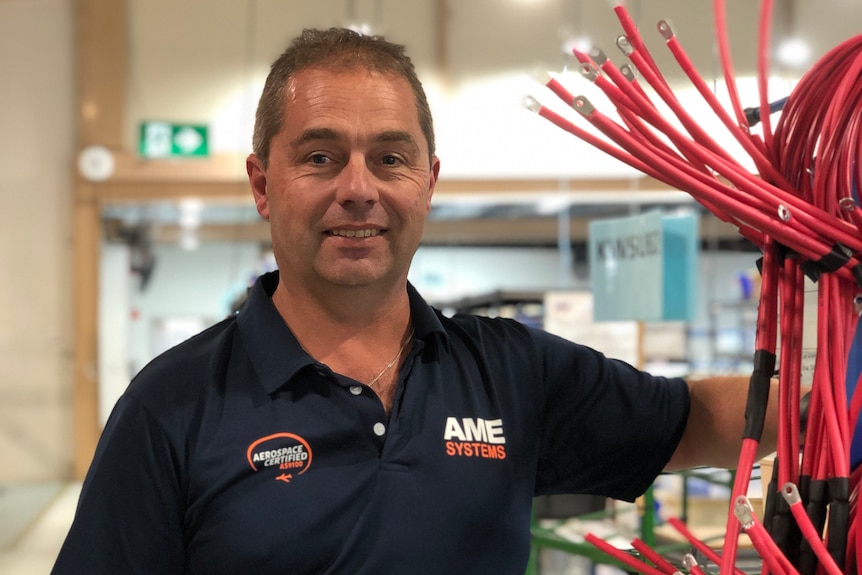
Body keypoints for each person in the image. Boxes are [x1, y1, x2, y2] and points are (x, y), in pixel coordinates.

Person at [52, 27, 778, 574]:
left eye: (390, 158)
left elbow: (696, 420)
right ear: (262, 184)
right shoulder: (170, 407)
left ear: (428, 182)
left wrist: (845, 393)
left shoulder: (511, 374)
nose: (359, 188)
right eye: (319, 156)